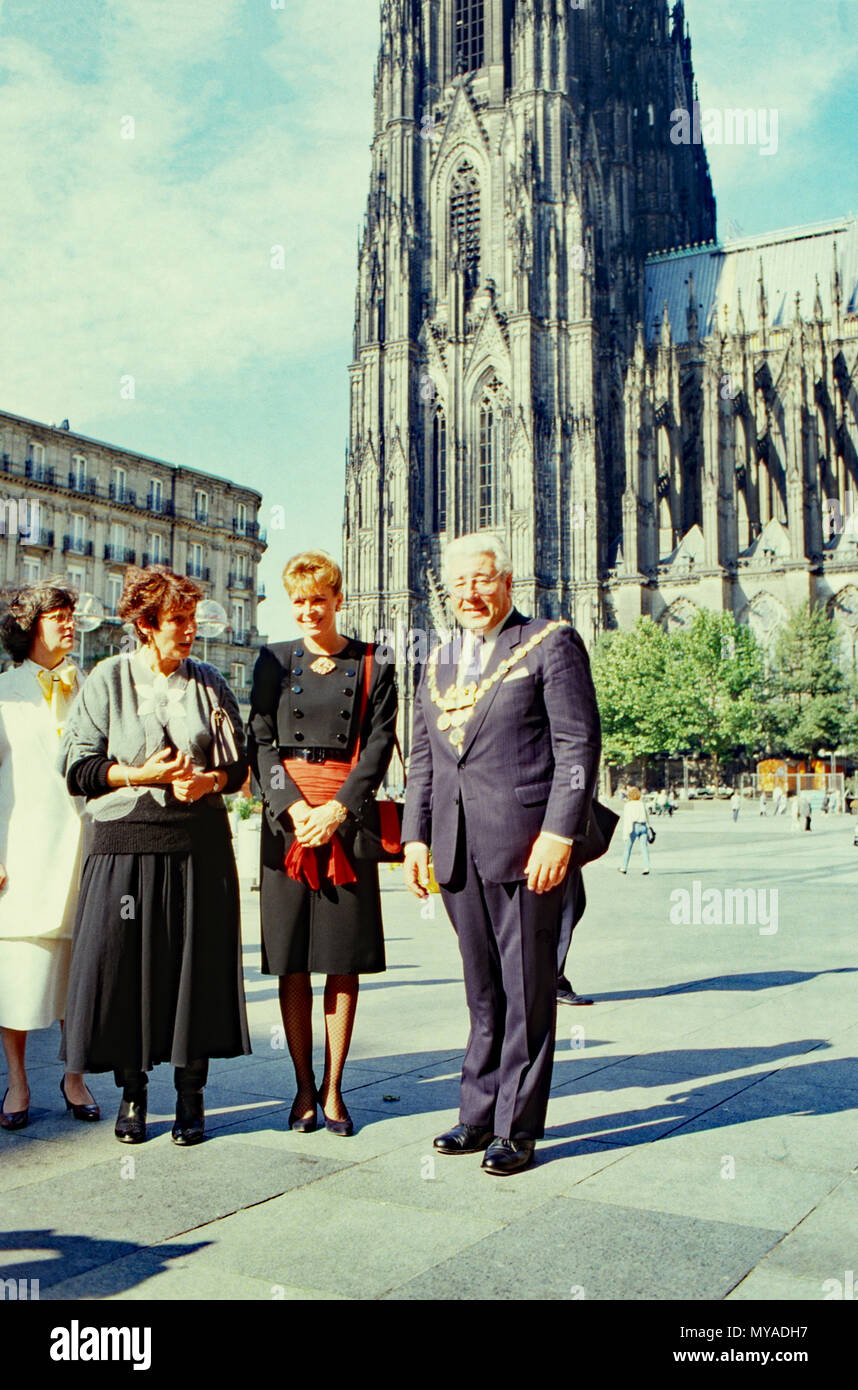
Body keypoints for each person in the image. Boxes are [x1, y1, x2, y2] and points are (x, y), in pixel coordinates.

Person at [402, 533, 601, 1175]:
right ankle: (477, 1112)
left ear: (507, 581)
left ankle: (517, 1128)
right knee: (482, 991)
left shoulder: (549, 641)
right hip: (457, 851)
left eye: (482, 580)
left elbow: (578, 747)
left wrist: (560, 833)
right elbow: (424, 765)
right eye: (459, 584)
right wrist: (414, 837)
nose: (470, 594)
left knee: (526, 988)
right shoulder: (435, 661)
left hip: (527, 847)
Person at [60, 566, 250, 1146]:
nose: (190, 632)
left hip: (198, 846)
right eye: (178, 621)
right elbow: (77, 768)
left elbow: (239, 766)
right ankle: (133, 1094)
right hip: (122, 847)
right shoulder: (106, 679)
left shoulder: (210, 680)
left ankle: (191, 1097)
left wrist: (209, 781)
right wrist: (136, 774)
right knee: (125, 971)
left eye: (193, 620)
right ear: (145, 626)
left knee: (196, 970)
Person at [248, 551, 396, 1137]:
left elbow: (381, 743)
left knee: (341, 962)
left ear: (339, 600)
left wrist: (336, 809)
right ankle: (302, 1089)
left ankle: (334, 1090)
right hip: (287, 825)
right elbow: (260, 742)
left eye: (319, 599)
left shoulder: (374, 661)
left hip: (346, 822)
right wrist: (294, 807)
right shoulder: (272, 661)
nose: (310, 611)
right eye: (300, 601)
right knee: (292, 963)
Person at [0, 583, 99, 1131]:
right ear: (29, 626)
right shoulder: (3, 691)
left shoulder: (90, 684)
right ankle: (17, 1081)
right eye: (58, 616)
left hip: (85, 850)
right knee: (18, 972)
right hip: (23, 851)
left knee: (79, 973)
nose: (69, 624)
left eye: (70, 616)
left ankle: (75, 1075)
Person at [618, 786, 651, 874]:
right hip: (643, 826)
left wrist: (625, 834)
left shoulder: (628, 805)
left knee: (627, 848)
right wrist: (648, 827)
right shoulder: (641, 804)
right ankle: (646, 867)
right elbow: (647, 816)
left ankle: (623, 868)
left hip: (633, 826)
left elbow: (627, 820)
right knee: (644, 848)